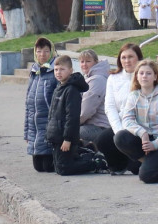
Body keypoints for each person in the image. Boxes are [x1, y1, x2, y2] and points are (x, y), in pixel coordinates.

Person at [114, 59, 158, 184]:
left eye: (148, 73)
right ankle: (148, 162)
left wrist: (155, 144)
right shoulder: (133, 95)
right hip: (145, 140)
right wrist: (142, 133)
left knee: (146, 176)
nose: (144, 76)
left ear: (155, 77)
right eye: (141, 73)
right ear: (136, 76)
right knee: (120, 137)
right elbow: (127, 120)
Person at [46, 55, 106, 176]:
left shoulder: (71, 90)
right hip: (57, 135)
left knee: (64, 169)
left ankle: (96, 163)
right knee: (58, 167)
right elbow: (52, 114)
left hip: (66, 136)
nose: (58, 72)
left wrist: (68, 139)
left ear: (71, 70)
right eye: (56, 70)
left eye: (62, 69)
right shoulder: (59, 87)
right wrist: (49, 133)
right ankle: (83, 152)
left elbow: (72, 117)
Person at [99, 43, 142, 174]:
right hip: (121, 124)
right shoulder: (113, 78)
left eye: (130, 57)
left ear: (138, 58)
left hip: (140, 127)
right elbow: (110, 107)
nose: (127, 61)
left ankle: (138, 161)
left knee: (136, 169)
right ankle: (119, 165)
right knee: (103, 140)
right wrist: (118, 131)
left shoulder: (145, 76)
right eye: (123, 57)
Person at [24, 37, 58, 172]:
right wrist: (27, 133)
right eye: (39, 51)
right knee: (39, 168)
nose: (42, 55)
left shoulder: (55, 71)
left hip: (49, 126)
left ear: (51, 52)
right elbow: (28, 106)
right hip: (35, 127)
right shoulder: (34, 72)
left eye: (46, 51)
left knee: (48, 168)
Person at [77, 49, 112, 150]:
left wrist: (71, 125)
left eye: (88, 61)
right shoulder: (89, 78)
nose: (84, 64)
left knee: (67, 134)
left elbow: (86, 112)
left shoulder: (97, 80)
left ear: (96, 62)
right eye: (82, 61)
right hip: (92, 124)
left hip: (100, 127)